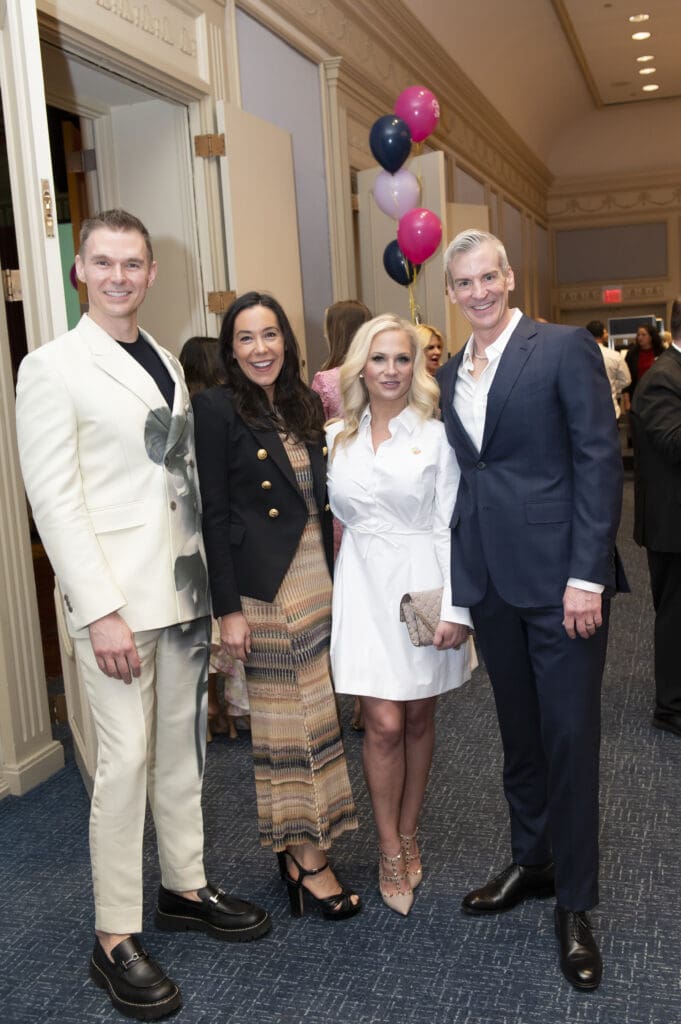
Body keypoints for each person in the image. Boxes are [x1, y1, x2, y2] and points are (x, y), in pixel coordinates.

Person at [15, 210, 270, 1021]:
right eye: (104, 262)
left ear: (151, 273)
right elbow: (53, 501)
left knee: (181, 752)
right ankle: (113, 935)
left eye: (133, 263)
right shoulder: (52, 367)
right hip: (118, 605)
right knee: (123, 766)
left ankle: (183, 887)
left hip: (182, 592)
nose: (120, 275)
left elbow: (180, 484)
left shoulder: (162, 356)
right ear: (79, 272)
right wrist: (100, 612)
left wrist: (213, 596)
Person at [439, 229, 625, 991]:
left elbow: (596, 456)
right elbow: (467, 480)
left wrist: (586, 574)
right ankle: (534, 862)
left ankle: (574, 905)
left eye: (489, 277)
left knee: (570, 740)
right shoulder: (450, 371)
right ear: (448, 294)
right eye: (464, 283)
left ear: (508, 278)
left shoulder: (558, 348)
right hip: (490, 585)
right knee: (519, 738)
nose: (478, 292)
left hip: (560, 587)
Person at [192, 291, 361, 921]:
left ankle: (298, 849)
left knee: (318, 717)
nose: (260, 349)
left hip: (316, 574)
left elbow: (319, 499)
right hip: (265, 589)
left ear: (286, 341)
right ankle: (308, 860)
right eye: (245, 338)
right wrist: (227, 609)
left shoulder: (304, 403)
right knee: (288, 727)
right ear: (230, 347)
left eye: (270, 335)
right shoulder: (214, 408)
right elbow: (213, 511)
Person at [326, 313, 473, 916]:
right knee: (381, 723)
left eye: (403, 359)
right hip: (360, 588)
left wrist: (457, 609)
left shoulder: (437, 437)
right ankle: (389, 847)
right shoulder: (337, 435)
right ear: (360, 363)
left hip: (422, 588)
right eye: (380, 358)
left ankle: (409, 829)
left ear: (418, 367)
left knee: (415, 720)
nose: (391, 370)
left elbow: (449, 526)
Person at [179, 335, 249, 740]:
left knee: (200, 620)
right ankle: (235, 707)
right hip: (222, 526)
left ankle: (210, 707)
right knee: (230, 614)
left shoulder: (181, 411)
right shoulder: (222, 410)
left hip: (187, 530)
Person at [630, 297, 681, 738]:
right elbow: (674, 444)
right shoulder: (663, 377)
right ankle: (671, 708)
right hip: (672, 524)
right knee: (674, 617)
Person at [311, 299, 372, 420]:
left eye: (326, 329)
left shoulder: (324, 382)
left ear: (336, 334)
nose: (324, 335)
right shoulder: (380, 372)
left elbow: (316, 430)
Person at [585, 320, 631, 418]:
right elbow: (626, 380)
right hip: (610, 409)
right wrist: (613, 386)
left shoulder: (578, 355)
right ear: (603, 334)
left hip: (587, 410)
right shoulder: (614, 355)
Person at [624, 322, 664, 399]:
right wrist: (626, 399)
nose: (640, 337)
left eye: (643, 335)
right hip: (637, 394)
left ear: (651, 337)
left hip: (657, 394)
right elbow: (627, 377)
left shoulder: (661, 352)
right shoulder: (632, 354)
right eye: (638, 335)